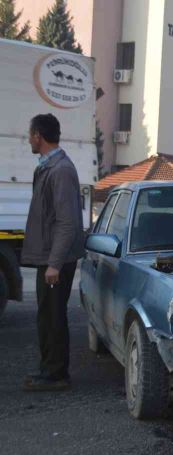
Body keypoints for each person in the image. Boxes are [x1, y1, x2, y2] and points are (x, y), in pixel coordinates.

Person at [21, 114, 84, 391]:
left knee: (54, 316)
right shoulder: (49, 167)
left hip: (55, 260)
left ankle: (57, 375)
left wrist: (55, 264)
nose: (29, 139)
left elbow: (67, 221)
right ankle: (49, 369)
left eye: (30, 134)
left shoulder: (60, 170)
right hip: (49, 257)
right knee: (47, 315)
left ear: (39, 136)